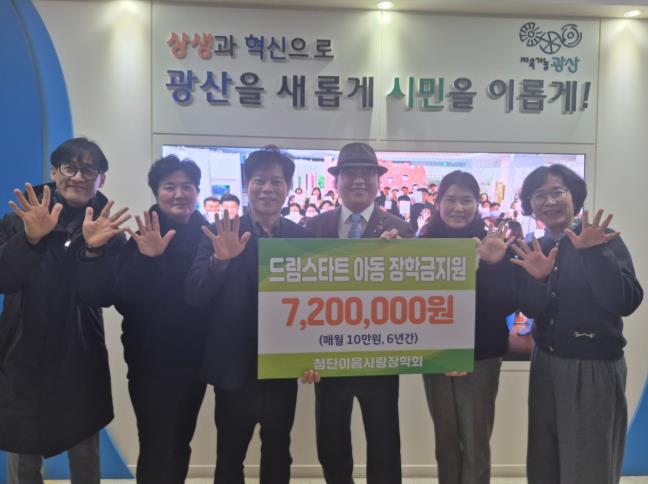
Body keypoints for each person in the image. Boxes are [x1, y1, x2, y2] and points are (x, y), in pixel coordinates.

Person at [0, 137, 129, 484]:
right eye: (70, 167)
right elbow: (5, 280)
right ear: (54, 171)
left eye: (89, 170)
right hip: (22, 348)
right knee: (23, 450)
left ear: (101, 178)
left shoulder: (109, 230)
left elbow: (103, 296)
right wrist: (30, 239)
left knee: (84, 448)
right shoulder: (20, 219)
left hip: (80, 351)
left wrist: (94, 251)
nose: (78, 177)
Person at [77, 155, 209, 484]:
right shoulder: (141, 237)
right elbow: (123, 299)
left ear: (197, 191)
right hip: (153, 364)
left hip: (197, 362)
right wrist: (151, 260)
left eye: (187, 187)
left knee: (180, 441)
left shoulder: (209, 236)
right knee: (155, 445)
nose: (179, 194)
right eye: (169, 187)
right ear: (156, 192)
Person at [185, 146, 313, 484]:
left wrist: (314, 356)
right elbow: (195, 294)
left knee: (278, 452)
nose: (268, 189)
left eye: (276, 181)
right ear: (247, 185)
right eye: (259, 181)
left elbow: (317, 304)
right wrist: (221, 261)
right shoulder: (220, 232)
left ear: (288, 188)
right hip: (234, 368)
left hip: (282, 368)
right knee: (229, 456)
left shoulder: (303, 238)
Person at [511, 164, 643, 484]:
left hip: (592, 364)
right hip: (546, 363)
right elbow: (530, 308)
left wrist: (594, 255)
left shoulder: (601, 240)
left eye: (558, 192)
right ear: (530, 206)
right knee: (545, 457)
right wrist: (539, 280)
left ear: (574, 197)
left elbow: (626, 301)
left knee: (588, 461)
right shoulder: (538, 246)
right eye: (539, 195)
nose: (549, 201)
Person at [305, 142, 413, 484]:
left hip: (379, 355)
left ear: (378, 181)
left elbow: (414, 293)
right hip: (328, 354)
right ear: (336, 180)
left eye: (367, 173)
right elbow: (299, 293)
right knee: (331, 441)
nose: (358, 180)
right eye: (350, 173)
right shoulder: (313, 227)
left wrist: (402, 258)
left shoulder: (400, 229)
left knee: (384, 442)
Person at [419, 170, 516, 484]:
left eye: (466, 200)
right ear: (438, 203)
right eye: (451, 199)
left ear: (477, 204)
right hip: (436, 355)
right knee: (445, 441)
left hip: (480, 356)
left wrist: (493, 265)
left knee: (475, 442)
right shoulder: (423, 243)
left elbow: (505, 305)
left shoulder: (493, 244)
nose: (458, 207)